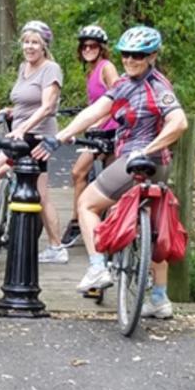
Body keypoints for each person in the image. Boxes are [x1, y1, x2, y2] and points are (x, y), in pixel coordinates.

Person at [32, 26, 188, 318]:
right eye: (126, 54)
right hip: (158, 165)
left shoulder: (157, 86)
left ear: (153, 55)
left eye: (138, 55)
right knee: (154, 229)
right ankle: (159, 298)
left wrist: (146, 149)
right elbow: (94, 112)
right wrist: (62, 135)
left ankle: (96, 267)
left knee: (87, 203)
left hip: (137, 159)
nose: (130, 60)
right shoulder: (127, 83)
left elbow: (179, 123)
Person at [0, 20, 68, 264]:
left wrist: (23, 128)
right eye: (26, 42)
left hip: (36, 136)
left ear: (44, 46)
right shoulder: (24, 67)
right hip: (20, 133)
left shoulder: (50, 69)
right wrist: (12, 111)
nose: (29, 47)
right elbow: (26, 102)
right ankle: (55, 246)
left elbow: (46, 107)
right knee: (37, 193)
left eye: (35, 42)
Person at [60, 25, 119, 249]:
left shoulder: (107, 67)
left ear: (101, 48)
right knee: (81, 174)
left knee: (86, 174)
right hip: (95, 131)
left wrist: (101, 121)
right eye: (84, 46)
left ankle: (91, 225)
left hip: (110, 131)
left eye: (93, 45)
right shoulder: (91, 70)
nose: (88, 49)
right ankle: (81, 222)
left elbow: (119, 98)